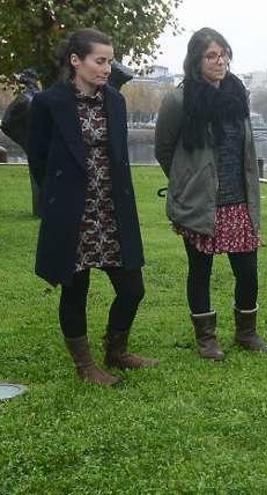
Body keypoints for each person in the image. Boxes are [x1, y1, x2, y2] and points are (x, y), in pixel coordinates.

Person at [28, 28, 157, 386]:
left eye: (109, 61)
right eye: (100, 61)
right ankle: (85, 366)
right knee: (76, 290)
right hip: (73, 213)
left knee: (132, 288)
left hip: (112, 210)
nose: (106, 68)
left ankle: (116, 350)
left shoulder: (115, 101)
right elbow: (37, 158)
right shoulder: (49, 103)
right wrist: (58, 195)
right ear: (76, 61)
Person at [155, 27, 267, 360]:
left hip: (239, 199)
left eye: (224, 54)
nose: (219, 61)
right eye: (211, 55)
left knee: (247, 271)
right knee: (200, 270)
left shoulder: (238, 93)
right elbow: (164, 149)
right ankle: (207, 339)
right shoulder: (179, 99)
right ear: (196, 60)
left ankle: (246, 333)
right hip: (201, 203)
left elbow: (245, 148)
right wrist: (185, 183)